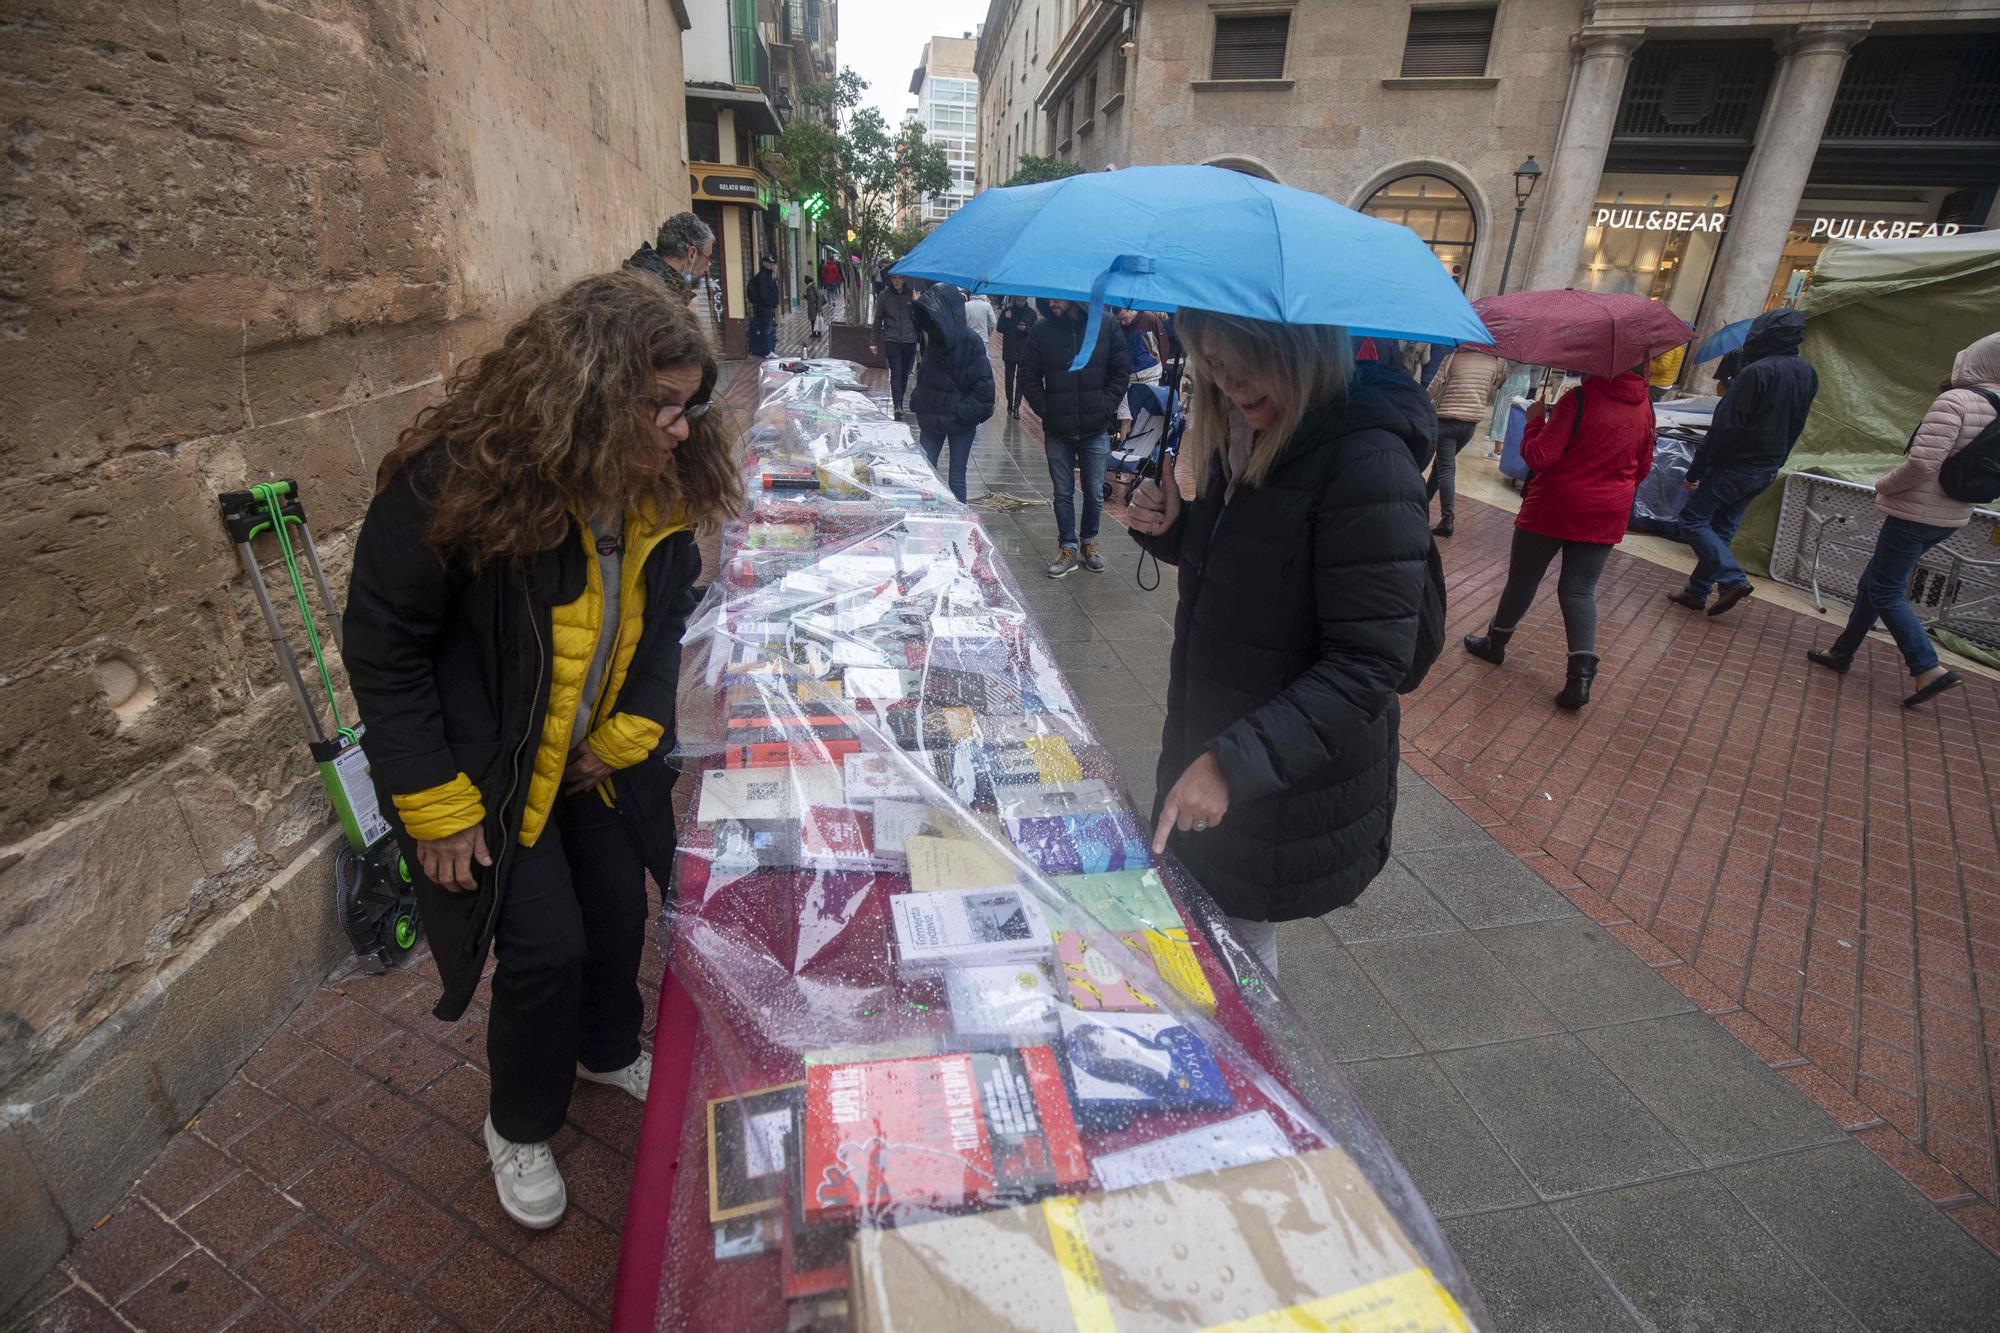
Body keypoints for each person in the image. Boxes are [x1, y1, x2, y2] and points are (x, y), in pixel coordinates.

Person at [342, 271, 742, 1230]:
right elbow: (384, 642)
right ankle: (518, 1124)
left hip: (591, 761)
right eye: (660, 407)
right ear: (591, 396)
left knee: (614, 909)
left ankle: (605, 1046)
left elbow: (668, 616)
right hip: (493, 770)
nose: (681, 430)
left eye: (688, 407)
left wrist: (630, 730)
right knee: (545, 947)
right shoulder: (456, 477)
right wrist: (432, 802)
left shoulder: (663, 485)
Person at [1112, 311, 1434, 975]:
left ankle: (1253, 1069)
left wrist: (1235, 764)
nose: (1229, 381)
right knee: (1216, 921)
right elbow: (1261, 560)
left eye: (1243, 360)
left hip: (1279, 768)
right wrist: (1175, 529)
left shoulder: (1368, 461)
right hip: (1228, 731)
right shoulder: (1247, 426)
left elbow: (1370, 662)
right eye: (1211, 363)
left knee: (1236, 938)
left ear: (1299, 348)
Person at [1808, 332, 1998, 707]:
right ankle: (1842, 652)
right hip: (1954, 513)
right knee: (1876, 580)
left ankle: (1927, 667)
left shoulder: (1956, 401)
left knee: (1884, 589)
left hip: (1915, 511)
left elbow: (1923, 462)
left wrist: (1885, 485)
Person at [1461, 367, 1657, 708]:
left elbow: (1540, 456)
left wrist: (1535, 422)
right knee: (1579, 591)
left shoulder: (1578, 400)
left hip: (1554, 506)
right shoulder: (1646, 408)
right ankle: (1579, 680)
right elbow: (1643, 467)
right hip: (1607, 512)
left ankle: (1495, 644)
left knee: (1523, 580)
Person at [1668, 308, 1818, 617]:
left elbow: (1725, 427)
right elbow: (1798, 423)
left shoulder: (1756, 372)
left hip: (1737, 463)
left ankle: (1731, 579)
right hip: (1765, 464)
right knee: (1722, 527)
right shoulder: (1805, 372)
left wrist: (1698, 469)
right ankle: (1698, 591)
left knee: (1693, 520)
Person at [1020, 299, 1131, 577]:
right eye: (1048, 297)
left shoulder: (1106, 325)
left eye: (1057, 296)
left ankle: (1089, 542)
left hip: (1095, 429)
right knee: (1063, 493)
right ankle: (1068, 545)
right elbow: (1028, 375)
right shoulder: (1042, 329)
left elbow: (1121, 372)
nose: (1052, 302)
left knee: (1094, 493)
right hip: (1058, 429)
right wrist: (1047, 410)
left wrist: (1104, 407)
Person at [909, 284, 997, 502]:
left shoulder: (971, 342)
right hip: (932, 419)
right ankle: (928, 517)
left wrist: (961, 413)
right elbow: (925, 378)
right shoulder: (934, 341)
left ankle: (960, 522)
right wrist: (918, 401)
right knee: (926, 472)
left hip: (960, 422)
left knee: (956, 476)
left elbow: (985, 394)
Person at [1425, 346, 1506, 537]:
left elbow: (1435, 386)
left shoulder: (1453, 357)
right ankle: (1423, 504)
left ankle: (1447, 518)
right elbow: (1492, 387)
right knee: (1441, 466)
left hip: (1447, 419)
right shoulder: (1493, 362)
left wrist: (1421, 401)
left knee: (1445, 468)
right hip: (1469, 425)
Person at [870, 273, 920, 419]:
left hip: (909, 341)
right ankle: (897, 405)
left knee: (905, 374)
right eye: (894, 278)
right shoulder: (884, 296)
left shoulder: (912, 294)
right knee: (896, 373)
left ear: (905, 279)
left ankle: (900, 398)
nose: (897, 281)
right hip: (892, 340)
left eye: (900, 278)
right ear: (890, 279)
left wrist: (917, 303)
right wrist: (873, 341)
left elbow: (920, 320)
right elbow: (878, 319)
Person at [626, 212, 714, 289]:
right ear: (692, 254)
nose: (706, 269)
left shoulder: (635, 276)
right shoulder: (657, 295)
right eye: (707, 259)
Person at [999, 297, 1038, 417]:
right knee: (1008, 380)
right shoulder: (1007, 311)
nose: (1020, 302)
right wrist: (1007, 319)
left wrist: (1026, 329)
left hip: (1023, 351)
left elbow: (1035, 332)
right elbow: (999, 328)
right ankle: (1009, 403)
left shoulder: (1031, 313)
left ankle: (1017, 406)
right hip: (1010, 350)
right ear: (1015, 299)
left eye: (1022, 300)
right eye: (1018, 299)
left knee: (1020, 380)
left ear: (1025, 299)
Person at [747, 254, 780, 358]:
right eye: (770, 263)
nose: (772, 265)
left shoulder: (768, 276)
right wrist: (768, 304)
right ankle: (767, 351)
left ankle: (768, 349)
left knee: (768, 329)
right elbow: (764, 293)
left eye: (773, 263)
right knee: (766, 329)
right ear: (764, 263)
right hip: (765, 308)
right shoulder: (762, 276)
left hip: (768, 307)